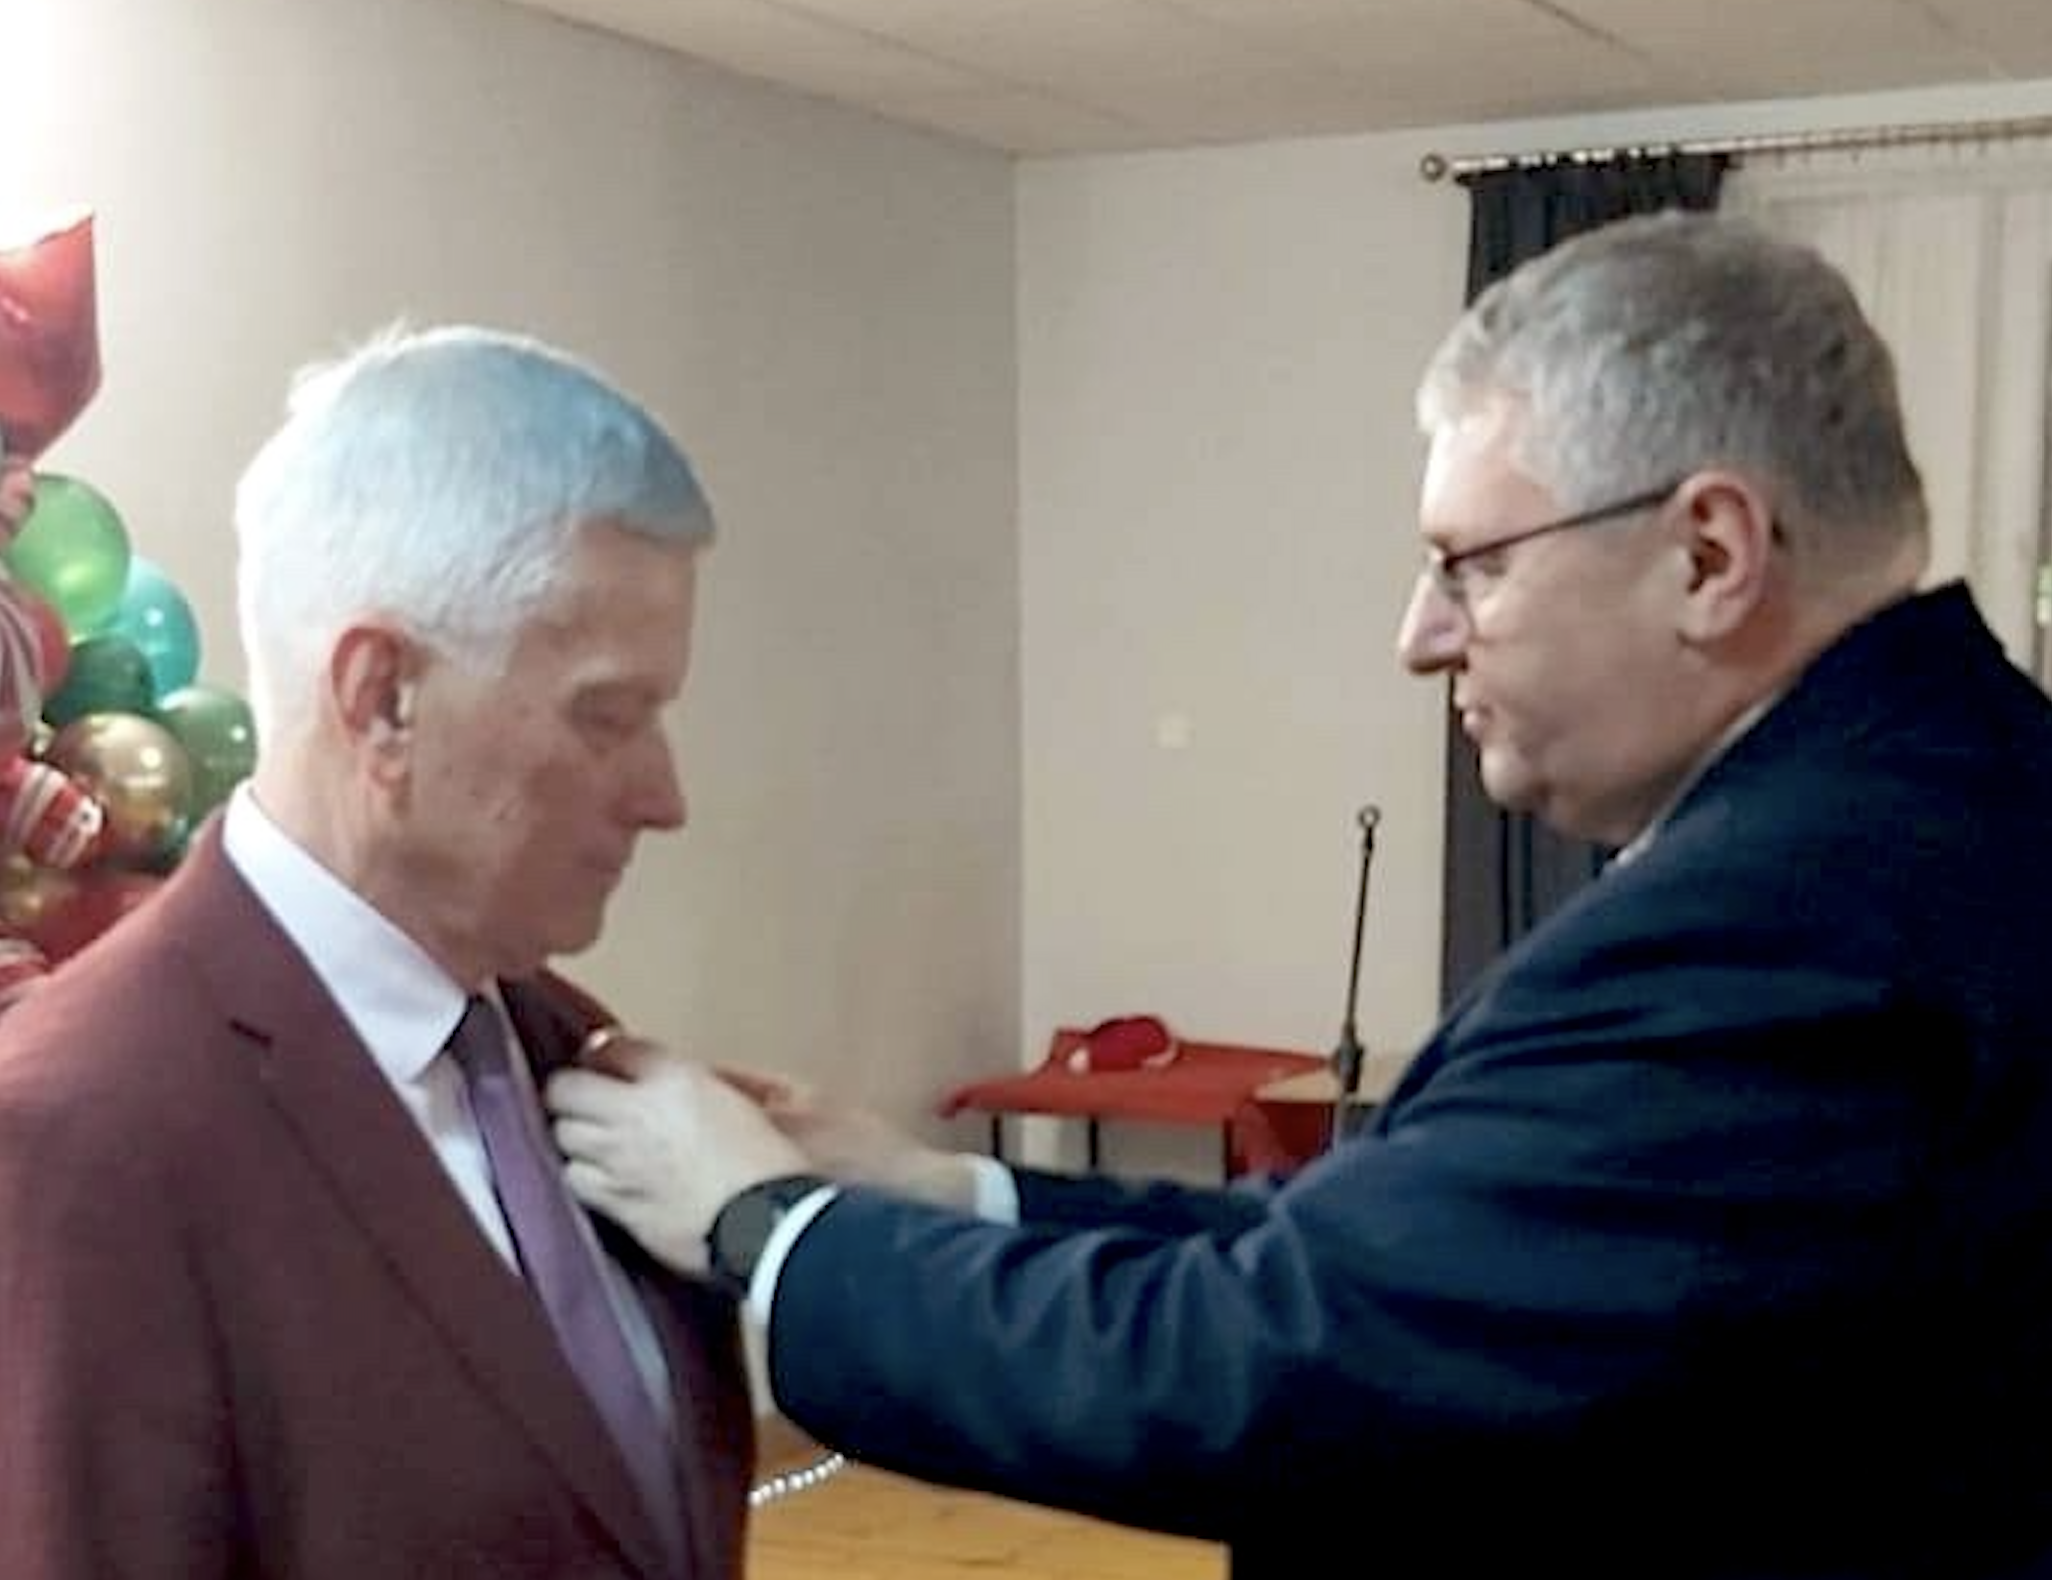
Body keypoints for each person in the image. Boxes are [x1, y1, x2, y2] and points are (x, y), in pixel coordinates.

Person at [543, 211, 2052, 1579]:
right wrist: (947, 1192)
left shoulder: (1793, 911)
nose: (1419, 636)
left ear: (1708, 554)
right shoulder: (1941, 797)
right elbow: (1381, 1250)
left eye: (1469, 566)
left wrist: (761, 1222)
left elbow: (1271, 1361)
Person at [0, 325, 754, 1580]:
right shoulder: (80, 1132)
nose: (664, 795)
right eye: (608, 716)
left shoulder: (565, 1053)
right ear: (383, 698)